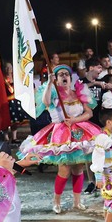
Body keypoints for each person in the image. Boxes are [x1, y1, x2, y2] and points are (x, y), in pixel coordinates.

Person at [17, 65, 101, 213]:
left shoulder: (79, 93)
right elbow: (47, 102)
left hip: (78, 132)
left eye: (66, 74)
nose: (64, 77)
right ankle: (56, 201)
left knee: (78, 168)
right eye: (60, 74)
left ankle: (77, 201)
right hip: (60, 134)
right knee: (64, 169)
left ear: (70, 77)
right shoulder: (53, 94)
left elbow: (89, 113)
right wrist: (50, 83)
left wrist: (75, 120)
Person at [2, 62, 31, 143]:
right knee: (7, 120)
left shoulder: (15, 77)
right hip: (6, 102)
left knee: (15, 121)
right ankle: (6, 137)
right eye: (7, 68)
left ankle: (14, 137)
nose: (8, 69)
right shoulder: (2, 79)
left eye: (10, 68)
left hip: (15, 101)